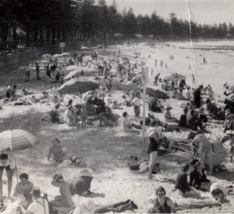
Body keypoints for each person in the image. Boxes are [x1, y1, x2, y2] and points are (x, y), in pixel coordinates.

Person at [72, 199, 138, 214]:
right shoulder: (79, 208)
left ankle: (129, 204)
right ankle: (126, 202)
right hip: (97, 207)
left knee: (115, 209)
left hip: (97, 210)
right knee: (111, 206)